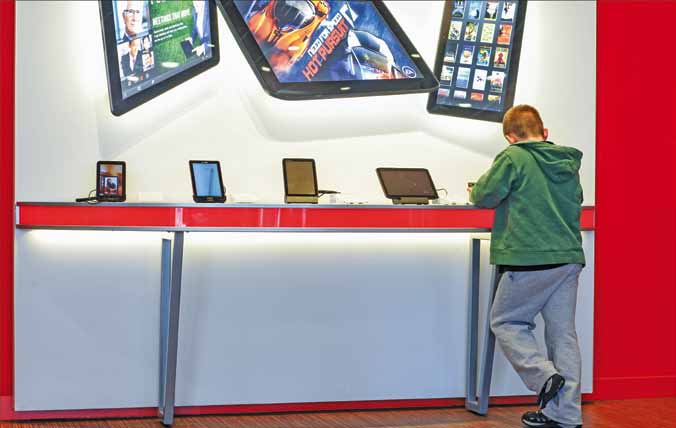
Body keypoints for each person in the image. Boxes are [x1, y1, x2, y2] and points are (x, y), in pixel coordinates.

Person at [469, 105, 585, 428]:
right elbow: (576, 200)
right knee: (563, 336)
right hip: (568, 258)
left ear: (510, 137)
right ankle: (566, 414)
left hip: (529, 257)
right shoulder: (566, 162)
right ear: (544, 132)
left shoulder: (513, 157)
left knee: (505, 321)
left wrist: (475, 190)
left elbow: (484, 195)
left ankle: (543, 377)